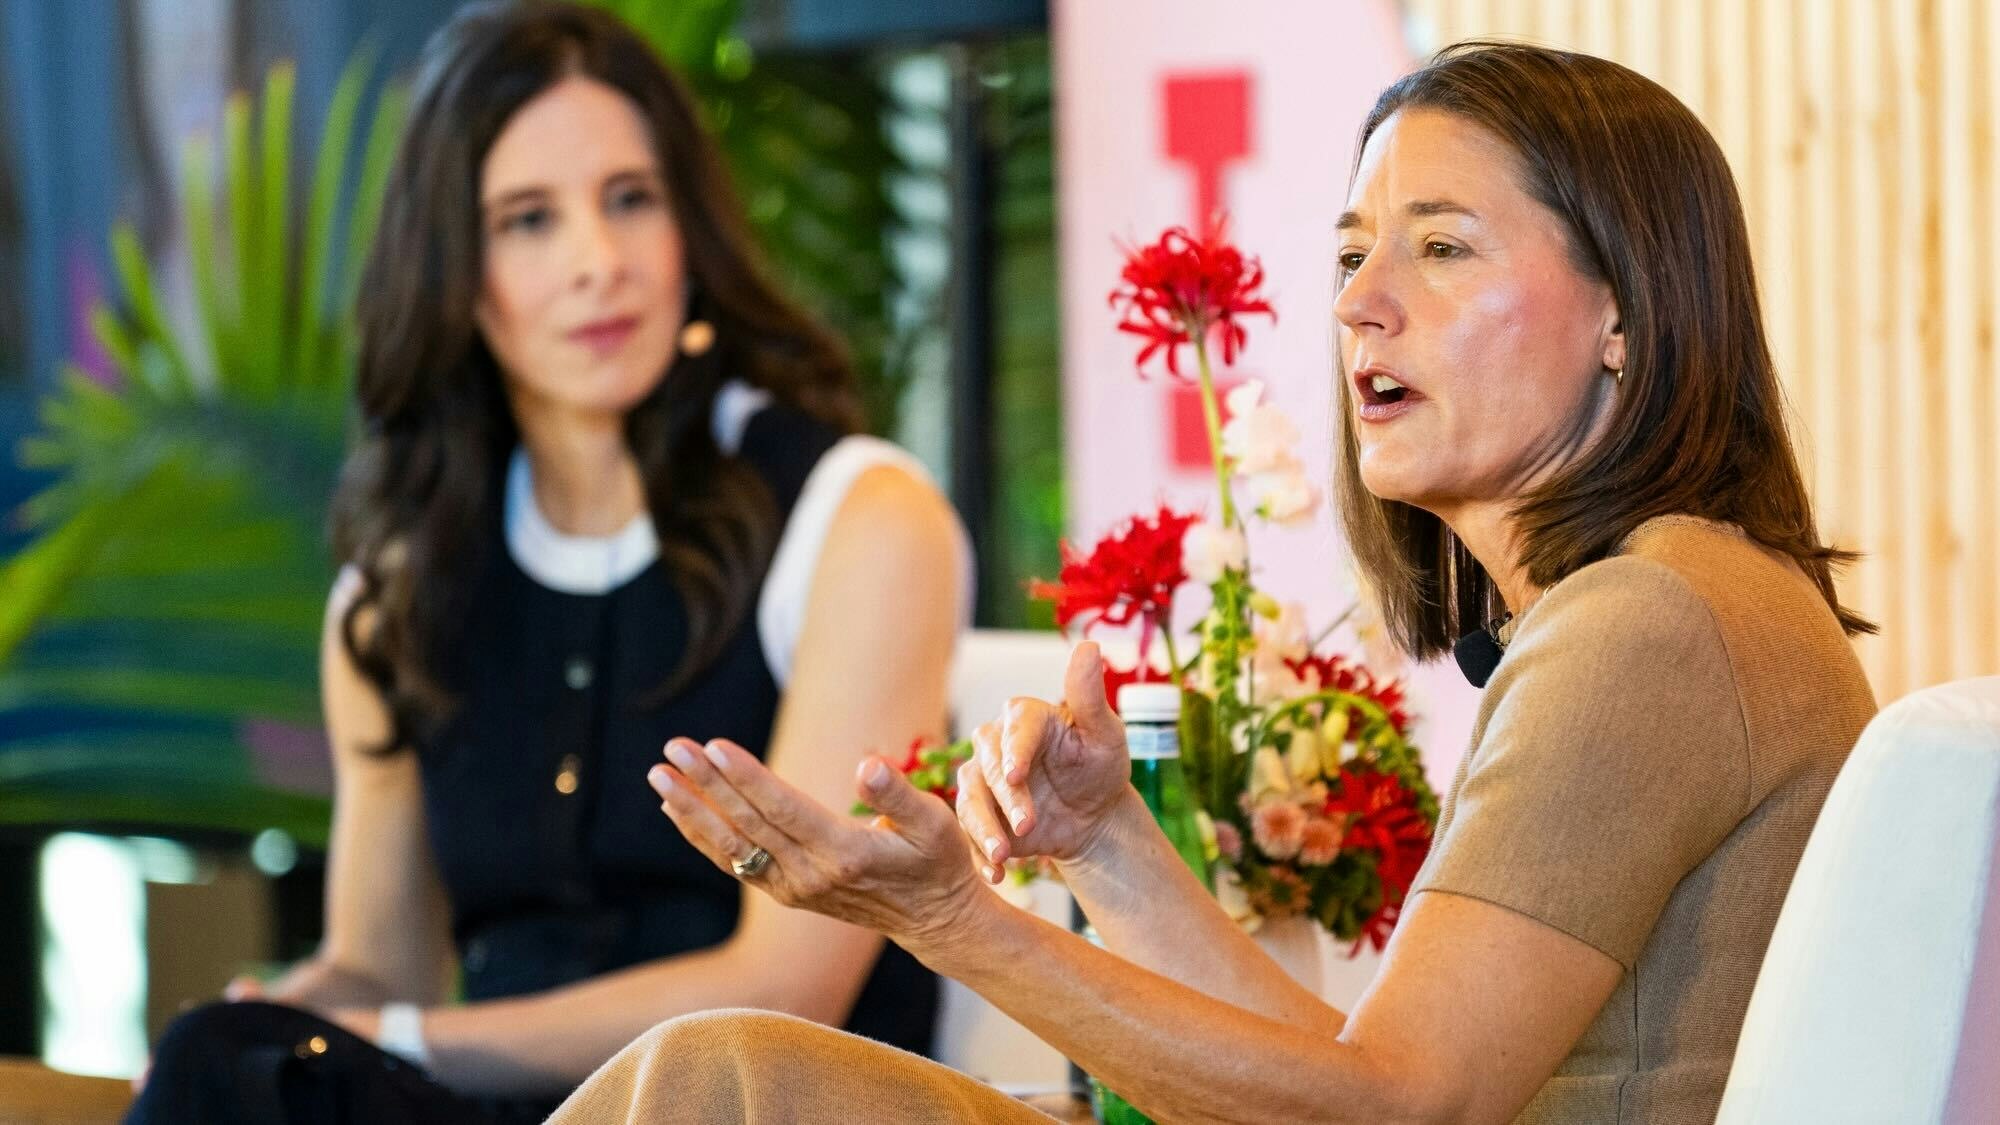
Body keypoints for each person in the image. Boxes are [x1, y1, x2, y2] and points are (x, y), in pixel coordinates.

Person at [548, 41, 1878, 1125]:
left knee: (723, 1083)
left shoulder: (1648, 620)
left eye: (1442, 247)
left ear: (1623, 314)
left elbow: (1395, 1106)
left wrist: (951, 917)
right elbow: (1369, 1073)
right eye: (1351, 254)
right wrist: (1109, 848)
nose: (1359, 303)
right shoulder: (1683, 595)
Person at [127, 2, 967, 1120]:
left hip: (759, 1110)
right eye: (528, 220)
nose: (598, 263)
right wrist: (271, 1023)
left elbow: (783, 993)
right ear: (454, 271)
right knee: (219, 1058)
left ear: (689, 230)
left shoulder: (860, 517)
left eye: (632, 199)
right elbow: (380, 969)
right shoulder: (399, 588)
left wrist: (392, 1037)